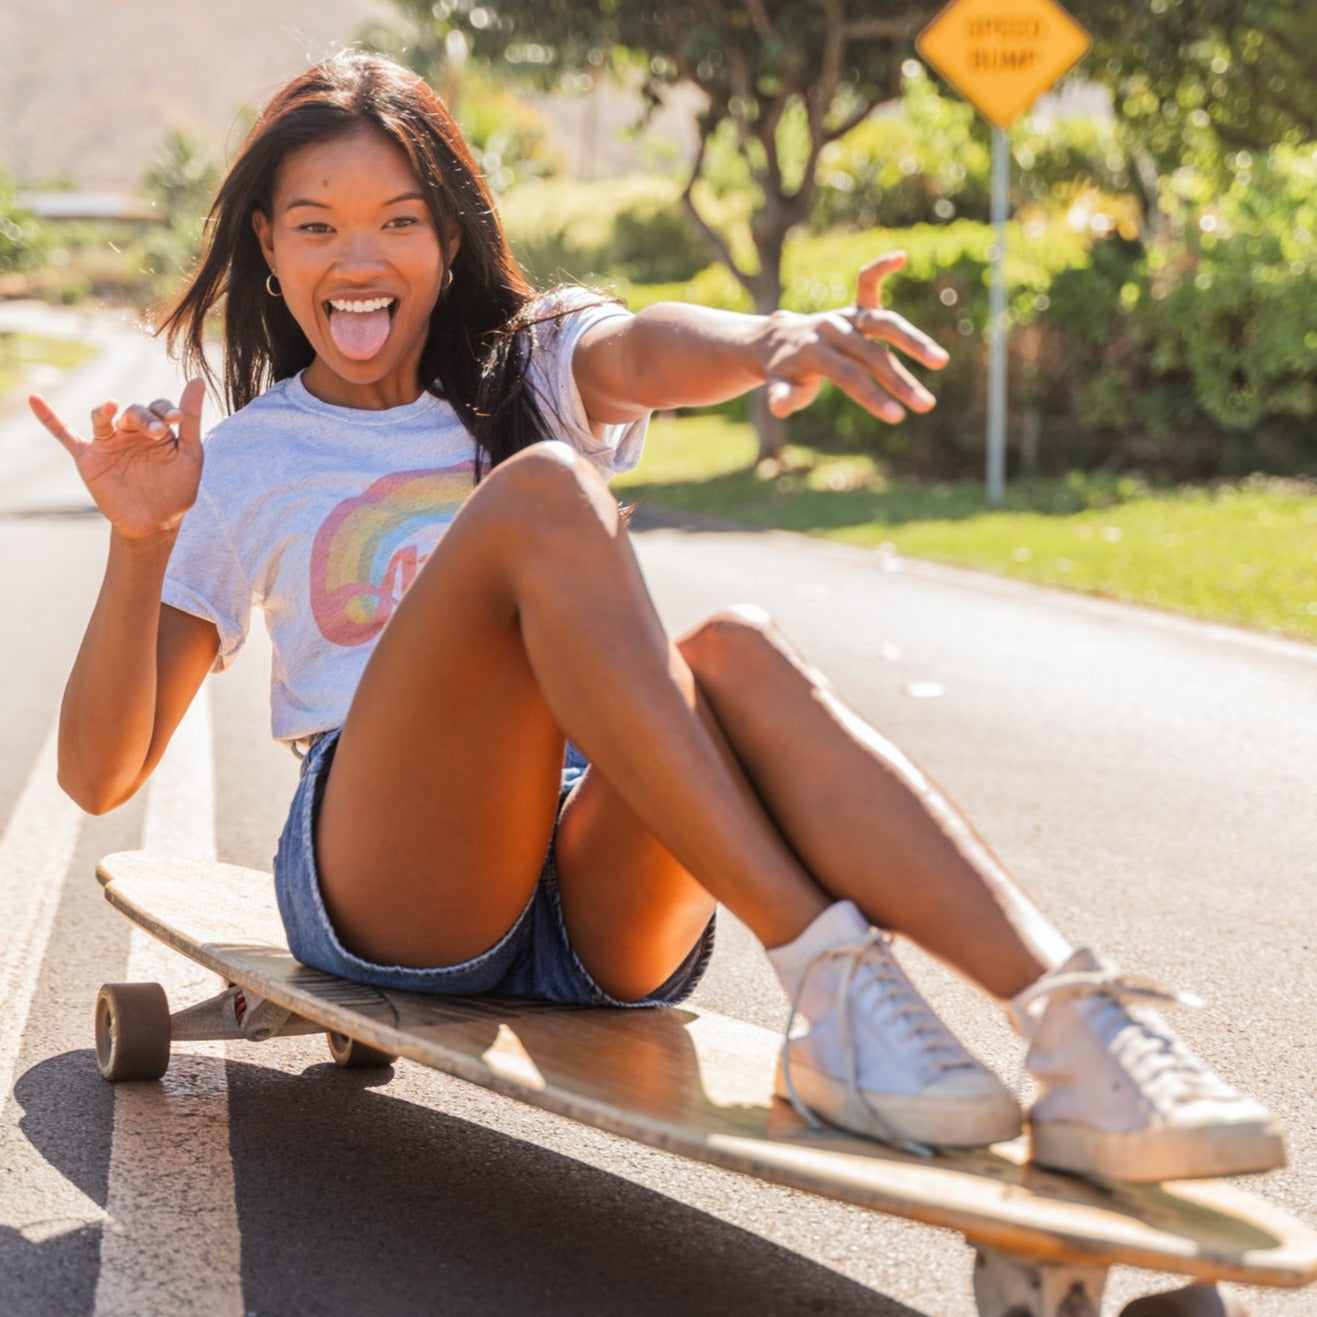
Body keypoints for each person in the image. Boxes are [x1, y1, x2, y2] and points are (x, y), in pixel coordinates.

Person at [32, 52, 1283, 1183]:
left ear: (451, 241)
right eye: (317, 227)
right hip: (394, 886)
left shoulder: (525, 362)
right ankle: (832, 982)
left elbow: (643, 352)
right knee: (541, 497)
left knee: (735, 648)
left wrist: (776, 338)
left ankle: (1079, 1025)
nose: (359, 262)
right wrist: (139, 542)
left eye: (398, 222)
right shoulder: (246, 459)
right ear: (266, 243)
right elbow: (101, 776)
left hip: (595, 906)